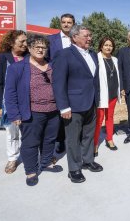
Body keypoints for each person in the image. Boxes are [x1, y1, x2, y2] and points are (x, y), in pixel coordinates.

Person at [4, 35, 62, 186]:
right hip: (32, 112)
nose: (40, 49)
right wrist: (14, 114)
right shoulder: (18, 68)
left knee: (49, 139)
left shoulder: (52, 65)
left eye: (43, 47)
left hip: (53, 111)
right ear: (29, 48)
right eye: (37, 47)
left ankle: (46, 162)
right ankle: (30, 171)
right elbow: (10, 93)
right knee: (31, 142)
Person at [52, 25, 102, 184]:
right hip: (73, 106)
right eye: (86, 35)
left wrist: (98, 99)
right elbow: (58, 83)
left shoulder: (93, 54)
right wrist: (63, 106)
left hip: (91, 103)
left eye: (90, 35)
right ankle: (74, 168)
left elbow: (94, 79)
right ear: (74, 37)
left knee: (88, 134)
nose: (90, 38)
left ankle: (87, 160)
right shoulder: (64, 55)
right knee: (73, 138)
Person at [0, 30, 27, 174]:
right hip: (9, 103)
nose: (25, 44)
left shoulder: (28, 57)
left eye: (26, 41)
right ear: (12, 43)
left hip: (27, 102)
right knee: (11, 133)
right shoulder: (2, 57)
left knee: (28, 132)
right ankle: (12, 159)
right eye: (22, 41)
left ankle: (29, 156)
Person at [47, 13, 75, 154]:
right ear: (60, 23)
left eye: (69, 22)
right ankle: (60, 140)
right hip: (57, 80)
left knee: (74, 111)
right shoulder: (51, 40)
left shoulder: (77, 39)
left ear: (73, 24)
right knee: (59, 112)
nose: (66, 24)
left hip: (74, 81)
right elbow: (45, 59)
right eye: (63, 22)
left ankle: (74, 139)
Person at [94, 37, 121, 156]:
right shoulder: (96, 58)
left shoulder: (115, 59)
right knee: (99, 120)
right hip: (101, 95)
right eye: (106, 45)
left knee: (110, 117)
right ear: (101, 46)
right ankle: (95, 143)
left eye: (110, 45)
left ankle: (109, 139)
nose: (108, 47)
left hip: (113, 94)